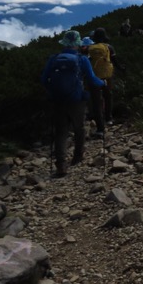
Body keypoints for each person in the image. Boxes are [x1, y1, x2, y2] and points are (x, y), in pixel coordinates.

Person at [41, 30, 105, 177]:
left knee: (61, 132)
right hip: (77, 100)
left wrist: (53, 91)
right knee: (79, 128)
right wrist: (103, 82)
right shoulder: (82, 59)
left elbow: (44, 80)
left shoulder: (53, 58)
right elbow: (92, 79)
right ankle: (77, 156)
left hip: (58, 100)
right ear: (77, 44)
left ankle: (61, 164)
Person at [88, 27, 124, 135]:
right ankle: (108, 118)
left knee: (96, 100)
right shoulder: (109, 47)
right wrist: (122, 68)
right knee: (108, 96)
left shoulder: (90, 48)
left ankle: (99, 124)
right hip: (107, 76)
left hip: (94, 77)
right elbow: (115, 61)